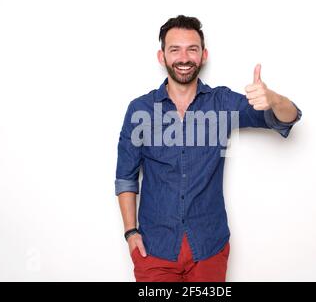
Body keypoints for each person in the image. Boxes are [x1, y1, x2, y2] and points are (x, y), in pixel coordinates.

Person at [115, 15, 302, 282]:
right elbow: (125, 177)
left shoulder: (221, 102)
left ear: (203, 55)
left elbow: (287, 118)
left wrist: (273, 98)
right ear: (162, 56)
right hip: (154, 249)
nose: (184, 57)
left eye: (192, 49)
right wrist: (130, 233)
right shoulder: (140, 109)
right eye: (174, 49)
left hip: (208, 246)